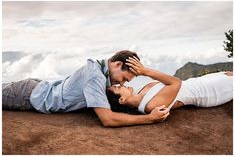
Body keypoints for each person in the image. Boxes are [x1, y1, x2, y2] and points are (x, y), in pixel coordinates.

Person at [2, 50, 170, 127]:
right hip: (27, 95)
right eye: (124, 78)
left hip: (37, 87)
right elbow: (108, 119)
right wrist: (149, 119)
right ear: (118, 64)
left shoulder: (101, 74)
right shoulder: (95, 75)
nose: (123, 84)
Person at [106, 56, 233, 114]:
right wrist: (145, 71)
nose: (121, 84)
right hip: (209, 92)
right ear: (122, 100)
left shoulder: (141, 91)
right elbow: (175, 82)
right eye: (117, 87)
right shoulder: (149, 106)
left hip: (202, 81)